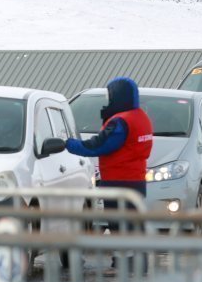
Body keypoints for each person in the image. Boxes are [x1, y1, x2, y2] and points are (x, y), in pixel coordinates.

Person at [65, 76, 154, 204]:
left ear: (117, 95)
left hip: (118, 183)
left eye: (109, 95)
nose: (108, 99)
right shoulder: (141, 118)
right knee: (132, 222)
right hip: (137, 181)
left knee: (118, 222)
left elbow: (98, 146)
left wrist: (68, 144)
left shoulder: (121, 121)